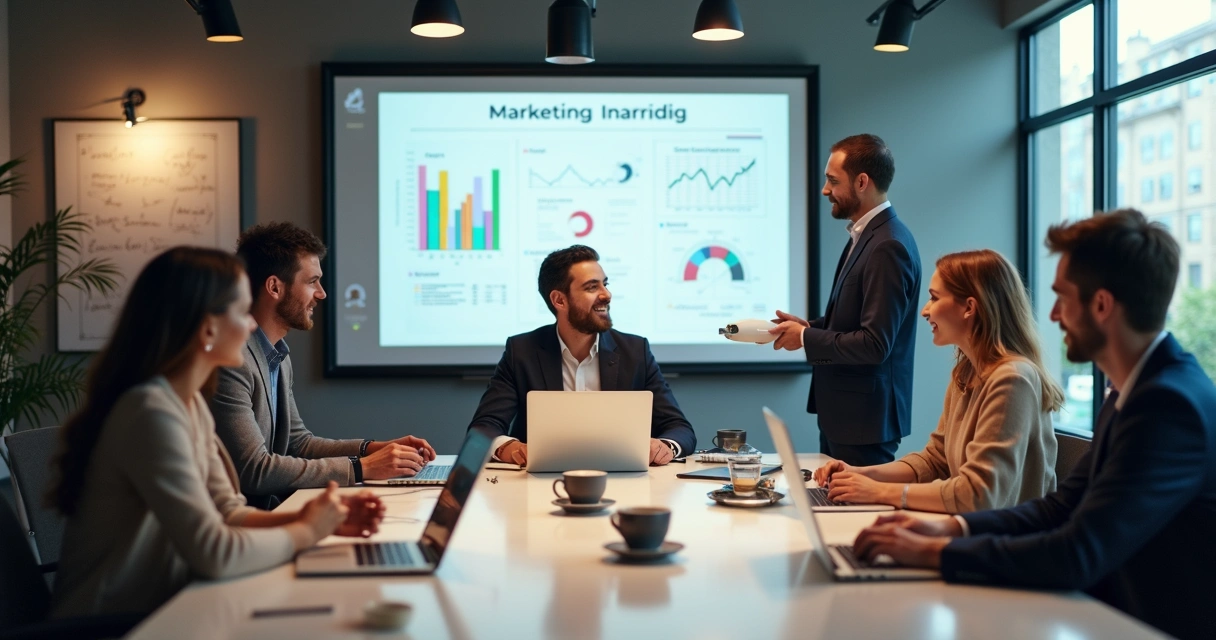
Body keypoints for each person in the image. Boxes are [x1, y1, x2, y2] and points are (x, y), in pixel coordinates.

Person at [851, 209, 1216, 640]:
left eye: (1063, 297)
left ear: (1101, 305)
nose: (1055, 314)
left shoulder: (1167, 405)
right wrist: (949, 527)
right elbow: (1060, 508)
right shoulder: (1133, 390)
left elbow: (1077, 552)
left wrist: (938, 552)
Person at [48, 247, 385, 618]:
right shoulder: (150, 413)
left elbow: (228, 512)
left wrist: (320, 517)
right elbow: (215, 553)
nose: (253, 325)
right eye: (243, 312)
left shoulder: (187, 403)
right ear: (208, 329)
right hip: (115, 624)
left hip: (169, 606)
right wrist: (307, 532)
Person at [813, 250, 1062, 513]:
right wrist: (862, 474)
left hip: (1010, 545)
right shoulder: (966, 373)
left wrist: (879, 492)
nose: (924, 310)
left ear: (969, 307)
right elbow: (935, 460)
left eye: (934, 298)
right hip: (979, 533)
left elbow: (979, 494)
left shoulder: (1013, 378)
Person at [210, 222, 435, 509]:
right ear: (275, 287)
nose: (322, 293)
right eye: (312, 281)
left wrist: (371, 449)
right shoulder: (233, 360)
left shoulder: (278, 356)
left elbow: (298, 443)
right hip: (242, 528)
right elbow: (254, 470)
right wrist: (361, 467)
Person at [769, 134, 922, 466]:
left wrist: (807, 338)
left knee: (860, 516)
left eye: (832, 180)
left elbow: (874, 343)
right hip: (848, 417)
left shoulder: (887, 246)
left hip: (864, 423)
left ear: (862, 182)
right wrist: (808, 327)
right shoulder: (866, 235)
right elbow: (856, 320)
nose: (825, 190)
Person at [468, 245, 696, 466]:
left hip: (625, 482)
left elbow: (679, 428)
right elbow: (484, 427)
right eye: (591, 287)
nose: (606, 295)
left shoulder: (635, 351)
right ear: (559, 300)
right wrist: (509, 448)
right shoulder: (522, 351)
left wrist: (664, 446)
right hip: (537, 484)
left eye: (605, 285)